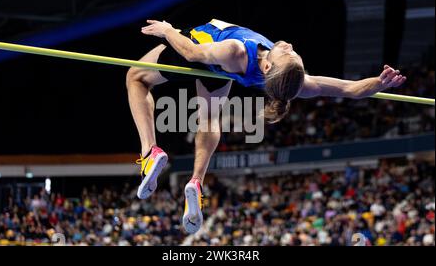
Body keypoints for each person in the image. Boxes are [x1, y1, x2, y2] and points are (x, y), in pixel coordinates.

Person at [126, 19, 407, 234]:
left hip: (200, 50)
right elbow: (350, 89)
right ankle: (196, 181)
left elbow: (190, 53)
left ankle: (150, 150)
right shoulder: (293, 82)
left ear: (268, 67)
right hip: (221, 70)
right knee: (210, 118)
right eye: (294, 54)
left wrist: (167, 30)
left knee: (136, 78)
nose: (289, 47)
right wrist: (379, 84)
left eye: (287, 53)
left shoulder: (235, 50)